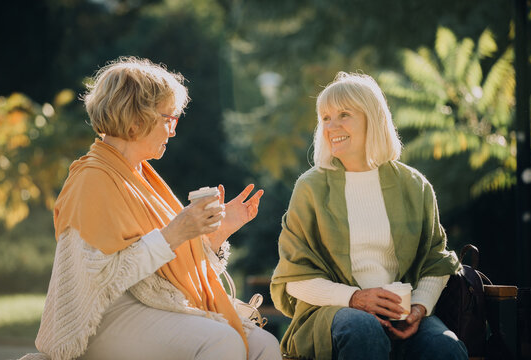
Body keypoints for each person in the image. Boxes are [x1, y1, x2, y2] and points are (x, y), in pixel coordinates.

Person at [24, 57, 281, 360]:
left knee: (265, 345)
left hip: (154, 304)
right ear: (136, 119)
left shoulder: (140, 176)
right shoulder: (92, 178)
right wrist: (176, 231)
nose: (172, 131)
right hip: (102, 316)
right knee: (223, 341)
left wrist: (215, 235)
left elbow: (166, 268)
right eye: (168, 118)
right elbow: (106, 277)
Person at [270, 72, 469, 360]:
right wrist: (354, 299)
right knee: (362, 329)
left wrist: (419, 308)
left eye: (344, 114)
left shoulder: (413, 185)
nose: (331, 126)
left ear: (372, 119)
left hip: (402, 313)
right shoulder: (310, 188)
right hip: (334, 314)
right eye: (325, 117)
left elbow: (435, 261)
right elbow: (294, 278)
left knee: (445, 348)